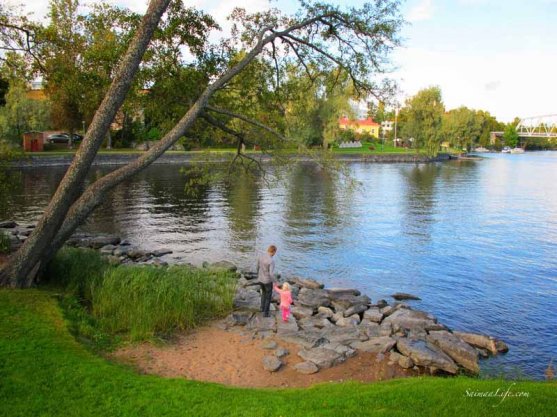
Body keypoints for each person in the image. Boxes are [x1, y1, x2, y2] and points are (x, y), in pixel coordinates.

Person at [256, 245, 277, 317]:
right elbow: (271, 274)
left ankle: (261, 308)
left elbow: (257, 267)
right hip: (267, 281)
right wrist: (275, 281)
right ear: (273, 251)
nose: (274, 254)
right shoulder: (271, 261)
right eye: (275, 252)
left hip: (260, 279)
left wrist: (258, 275)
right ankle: (266, 313)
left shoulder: (260, 256)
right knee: (268, 296)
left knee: (263, 293)